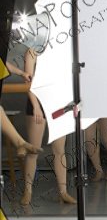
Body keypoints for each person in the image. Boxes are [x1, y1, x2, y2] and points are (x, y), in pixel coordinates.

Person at [20, 47, 77, 205]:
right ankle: (27, 191)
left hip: (57, 103)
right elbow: (28, 80)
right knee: (33, 150)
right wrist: (35, 105)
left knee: (59, 150)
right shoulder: (32, 51)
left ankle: (63, 192)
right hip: (37, 104)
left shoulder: (59, 50)